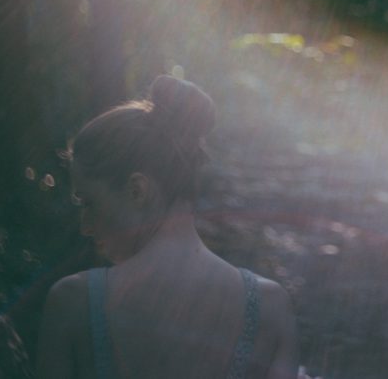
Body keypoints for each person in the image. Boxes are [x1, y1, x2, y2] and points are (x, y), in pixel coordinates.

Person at [37, 75, 298, 379]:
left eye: (88, 203)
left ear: (138, 190)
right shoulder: (271, 308)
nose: (85, 227)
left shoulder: (72, 305)